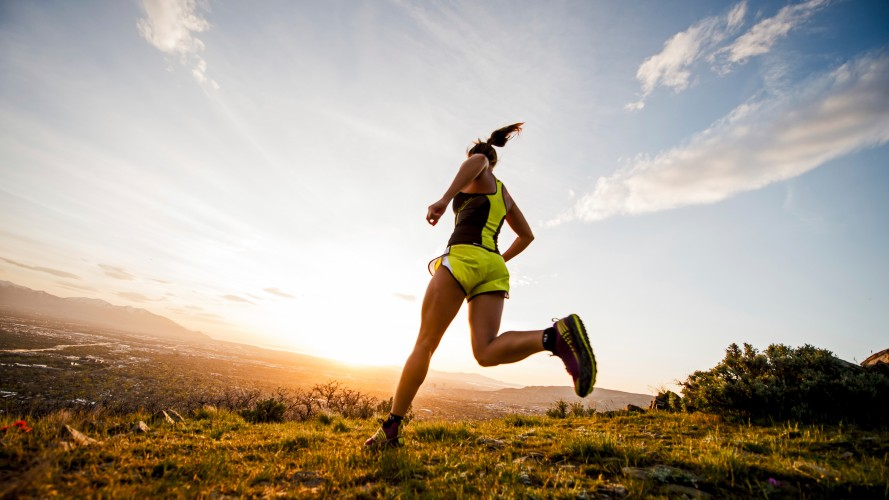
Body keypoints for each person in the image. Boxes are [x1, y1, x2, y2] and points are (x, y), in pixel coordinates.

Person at [364, 123, 596, 448]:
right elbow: (526, 235)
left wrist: (444, 200)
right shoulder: (504, 193)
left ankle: (391, 428)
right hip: (492, 266)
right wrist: (499, 259)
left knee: (425, 343)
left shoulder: (479, 167)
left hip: (463, 258)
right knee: (485, 352)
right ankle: (553, 336)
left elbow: (477, 162)